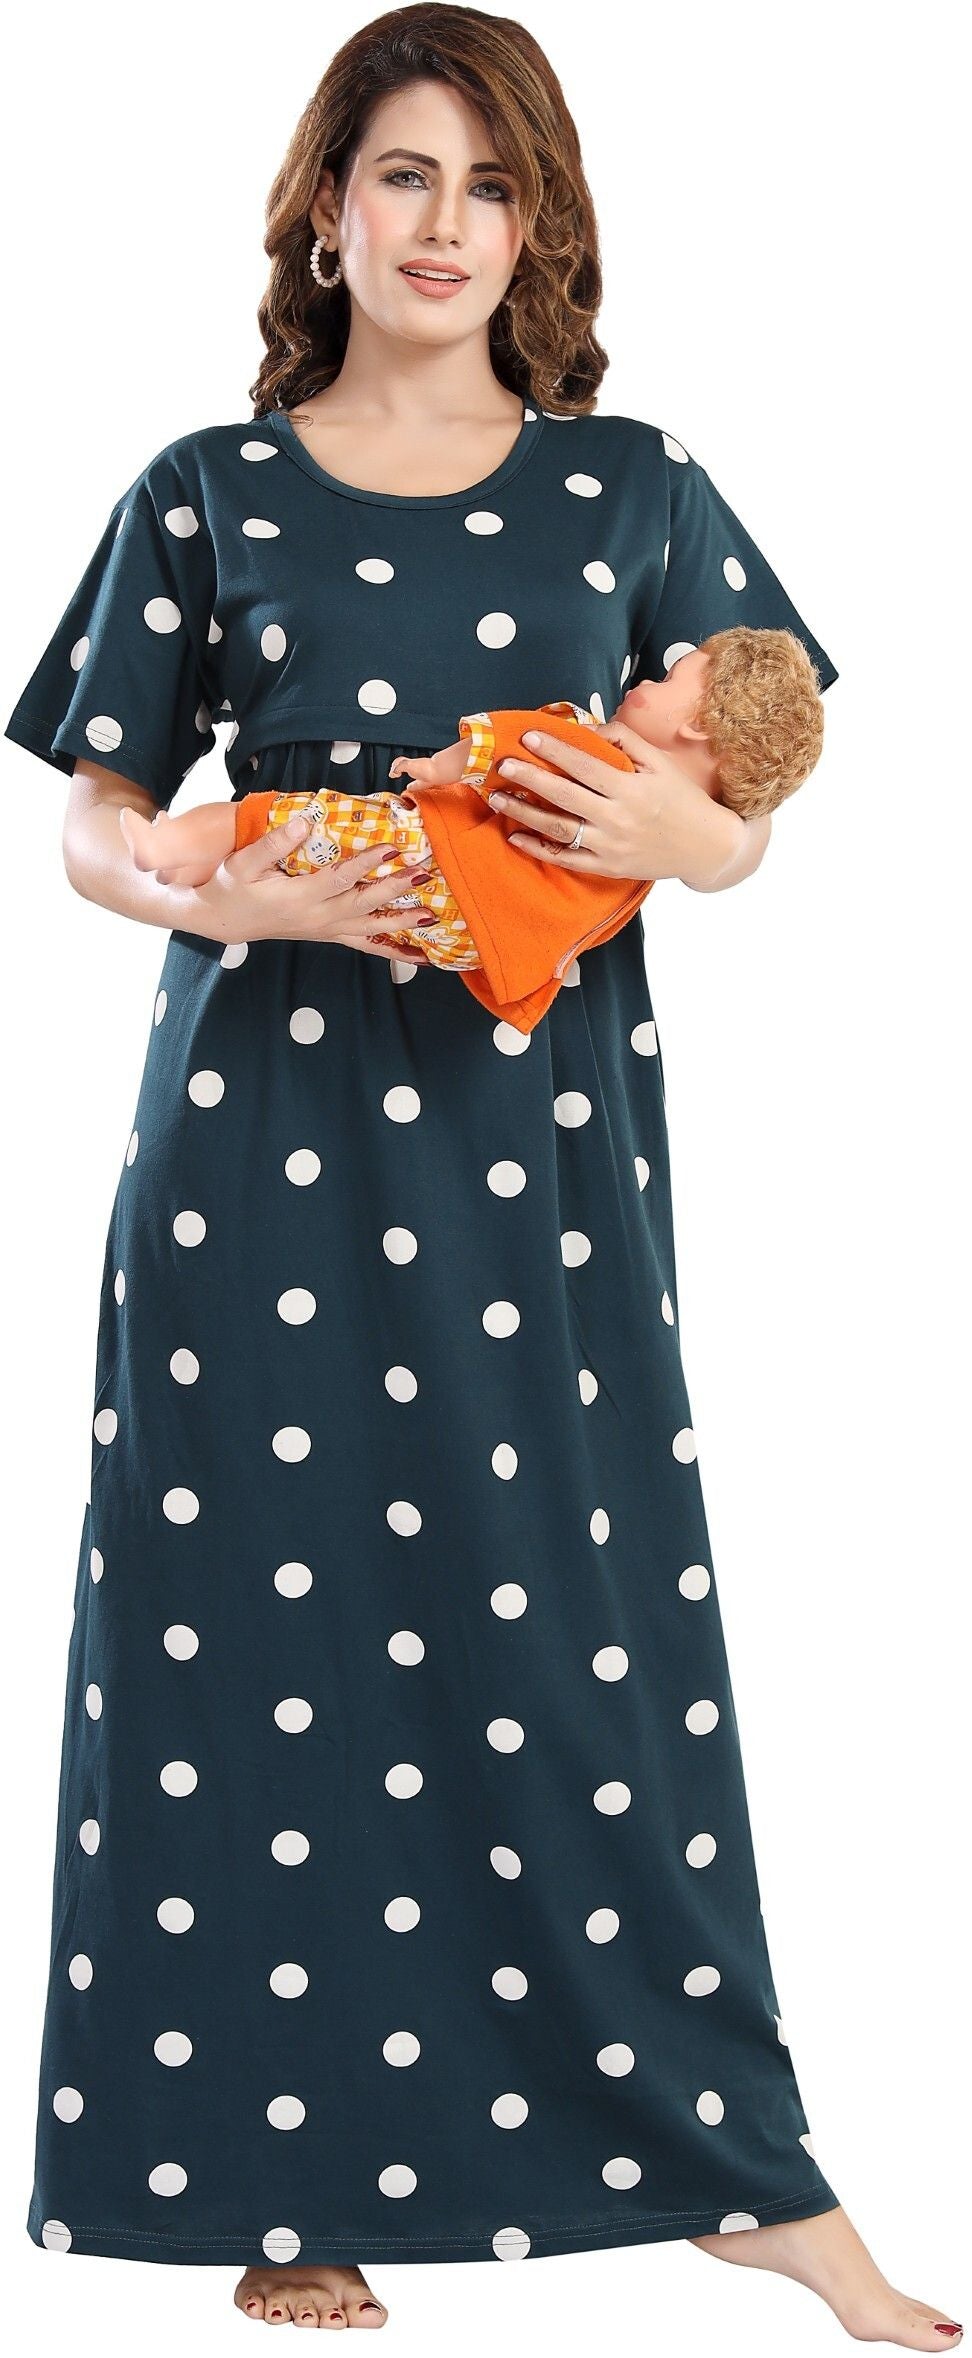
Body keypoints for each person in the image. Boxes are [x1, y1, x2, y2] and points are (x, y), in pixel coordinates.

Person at [3, 5, 963, 2343]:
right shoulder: (205, 488)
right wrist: (227, 893)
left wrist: (685, 841)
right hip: (254, 1144)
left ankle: (733, 2170)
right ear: (326, 208)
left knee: (583, 1618)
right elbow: (96, 826)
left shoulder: (632, 485)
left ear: (541, 226)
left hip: (540, 1158)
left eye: (494, 183)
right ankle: (272, 2170)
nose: (448, 223)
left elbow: (751, 791)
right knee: (259, 1628)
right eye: (407, 174)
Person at [116, 626, 824, 1034]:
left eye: (669, 679)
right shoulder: (635, 869)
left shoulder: (606, 758)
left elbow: (516, 740)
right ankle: (188, 867)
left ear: (699, 722)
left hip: (426, 861)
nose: (646, 680)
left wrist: (440, 766)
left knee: (275, 821)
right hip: (459, 938)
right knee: (340, 888)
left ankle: (173, 846)